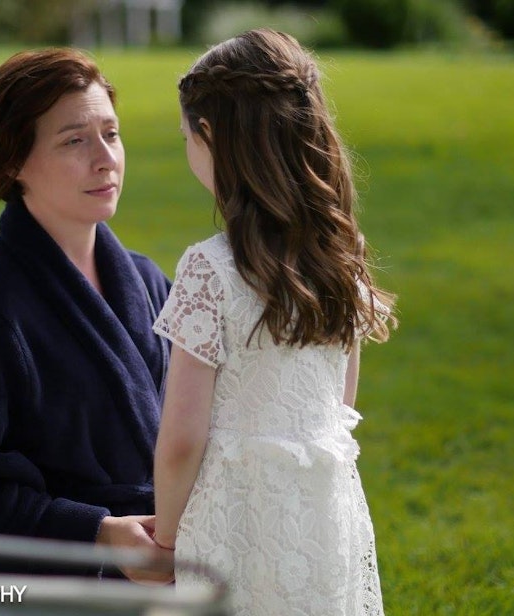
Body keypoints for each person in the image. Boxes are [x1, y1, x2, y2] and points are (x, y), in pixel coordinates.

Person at [151, 29, 398, 613]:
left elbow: (183, 436)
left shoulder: (208, 269)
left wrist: (163, 538)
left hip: (234, 516)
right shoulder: (341, 252)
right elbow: (341, 398)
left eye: (187, 136)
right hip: (321, 507)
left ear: (210, 135)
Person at [0, 47, 174, 581]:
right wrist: (98, 535)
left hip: (170, 567)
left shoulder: (148, 281)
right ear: (13, 161)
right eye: (74, 140)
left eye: (112, 133)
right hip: (53, 591)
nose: (106, 158)